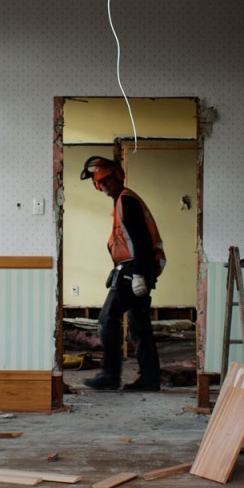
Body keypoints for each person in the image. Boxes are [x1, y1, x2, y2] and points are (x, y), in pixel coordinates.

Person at [78, 155, 165, 391]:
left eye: (106, 180)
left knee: (107, 319)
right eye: (98, 182)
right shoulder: (121, 201)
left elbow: (141, 240)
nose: (103, 185)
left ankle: (110, 374)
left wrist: (137, 274)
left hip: (134, 268)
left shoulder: (126, 201)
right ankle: (149, 379)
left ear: (117, 176)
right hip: (135, 268)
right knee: (139, 325)